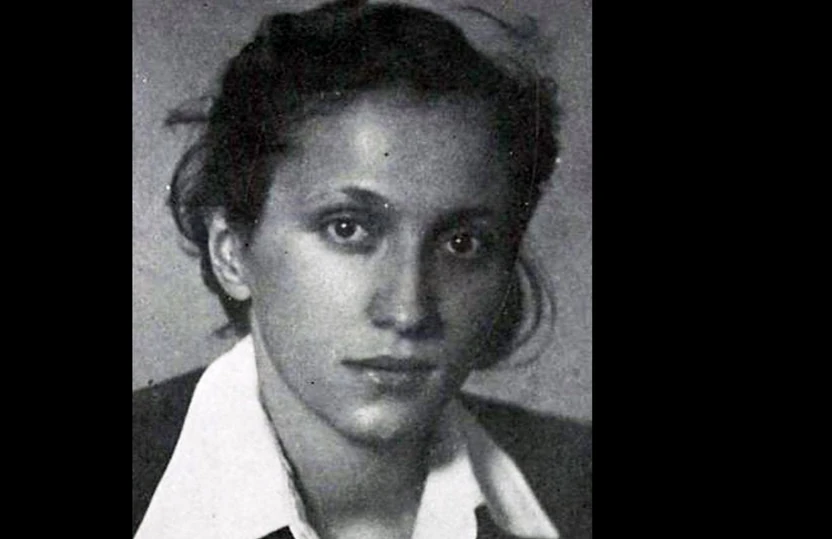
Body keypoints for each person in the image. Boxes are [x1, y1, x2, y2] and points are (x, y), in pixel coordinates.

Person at [132, 1, 591, 538]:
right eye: (347, 228)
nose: (407, 310)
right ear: (230, 251)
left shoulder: (577, 483)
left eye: (461, 243)